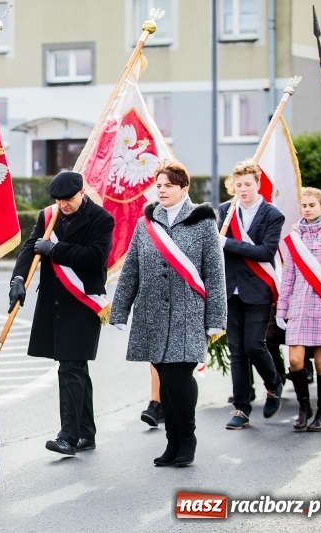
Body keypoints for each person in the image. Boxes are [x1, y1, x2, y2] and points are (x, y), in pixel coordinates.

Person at [111, 161, 226, 467]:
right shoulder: (146, 222)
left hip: (188, 313)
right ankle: (172, 442)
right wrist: (120, 309)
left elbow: (214, 274)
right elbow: (131, 268)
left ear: (184, 189)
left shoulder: (203, 222)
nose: (161, 190)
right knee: (165, 377)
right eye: (158, 185)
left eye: (168, 186)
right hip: (152, 314)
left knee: (177, 377)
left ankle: (186, 439)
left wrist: (216, 319)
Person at [8, 170, 114, 455]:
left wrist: (55, 249)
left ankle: (68, 436)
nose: (62, 205)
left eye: (67, 200)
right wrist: (17, 280)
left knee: (70, 368)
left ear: (82, 193)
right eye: (58, 200)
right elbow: (30, 249)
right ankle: (86, 433)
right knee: (75, 368)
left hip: (83, 302)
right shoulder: (48, 216)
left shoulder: (102, 219)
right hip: (54, 303)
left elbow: (94, 257)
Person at [217, 159, 284, 429]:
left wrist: (227, 242)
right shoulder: (225, 211)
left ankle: (273, 382)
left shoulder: (272, 214)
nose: (242, 189)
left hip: (258, 289)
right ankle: (241, 409)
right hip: (230, 289)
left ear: (258, 184)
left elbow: (265, 252)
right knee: (237, 351)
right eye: (238, 184)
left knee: (254, 345)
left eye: (247, 184)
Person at [277, 187, 321, 432]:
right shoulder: (295, 235)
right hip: (299, 305)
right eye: (303, 205)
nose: (307, 209)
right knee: (295, 360)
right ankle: (305, 408)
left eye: (311, 205)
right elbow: (289, 275)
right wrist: (281, 309)